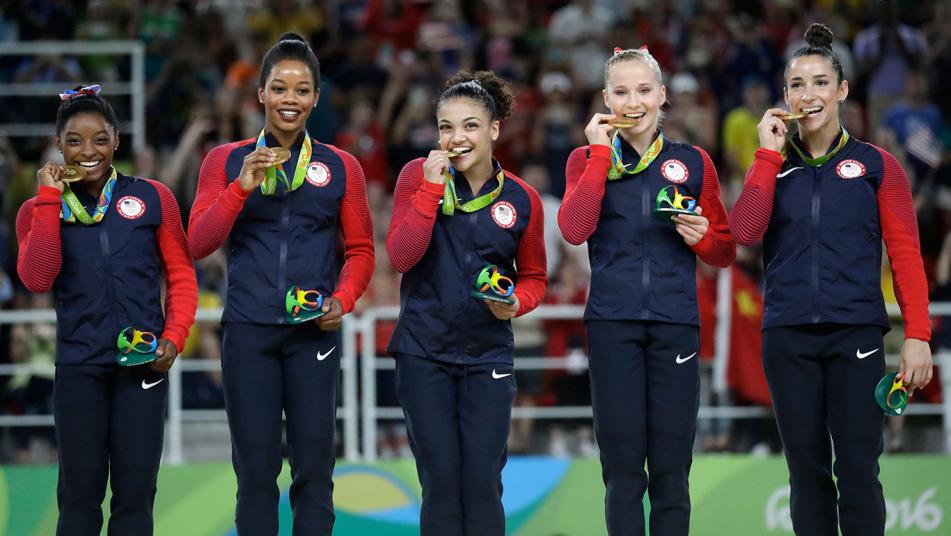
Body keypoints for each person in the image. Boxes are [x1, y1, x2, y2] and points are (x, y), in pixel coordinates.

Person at [729, 23, 933, 536]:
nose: (808, 94)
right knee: (807, 474)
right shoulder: (772, 166)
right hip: (787, 338)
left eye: (820, 82)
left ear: (842, 91)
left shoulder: (877, 165)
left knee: (860, 472)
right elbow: (744, 232)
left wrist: (918, 336)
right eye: (797, 84)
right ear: (785, 97)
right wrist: (766, 155)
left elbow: (906, 254)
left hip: (856, 338)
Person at [187, 33, 374, 535]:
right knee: (254, 475)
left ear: (315, 97)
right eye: (279, 88)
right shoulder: (225, 161)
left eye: (302, 89)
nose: (290, 99)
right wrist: (239, 188)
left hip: (313, 332)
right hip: (248, 332)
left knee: (315, 473)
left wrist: (344, 299)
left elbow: (360, 252)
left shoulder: (340, 166)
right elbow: (197, 242)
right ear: (261, 95)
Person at [558, 47, 735, 535]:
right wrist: (597, 156)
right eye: (621, 91)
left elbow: (724, 251)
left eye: (642, 90)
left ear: (662, 96)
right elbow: (573, 230)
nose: (632, 102)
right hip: (612, 323)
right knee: (621, 472)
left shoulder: (693, 162)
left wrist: (706, 240)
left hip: (675, 323)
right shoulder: (585, 159)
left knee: (672, 471)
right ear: (605, 99)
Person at [15, 84, 197, 535]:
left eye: (100, 139)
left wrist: (174, 337)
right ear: (59, 144)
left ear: (117, 140)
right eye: (74, 140)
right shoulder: (38, 209)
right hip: (80, 366)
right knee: (79, 497)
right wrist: (48, 201)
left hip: (143, 364)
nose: (88, 151)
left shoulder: (154, 198)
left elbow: (181, 276)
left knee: (135, 498)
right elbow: (38, 278)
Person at [386, 70, 547, 536]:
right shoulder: (417, 177)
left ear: (494, 130)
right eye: (446, 127)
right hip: (423, 353)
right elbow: (401, 256)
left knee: (481, 483)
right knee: (440, 483)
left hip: (488, 355)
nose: (457, 138)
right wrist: (431, 191)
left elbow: (535, 277)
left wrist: (516, 303)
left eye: (471, 125)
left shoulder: (523, 199)